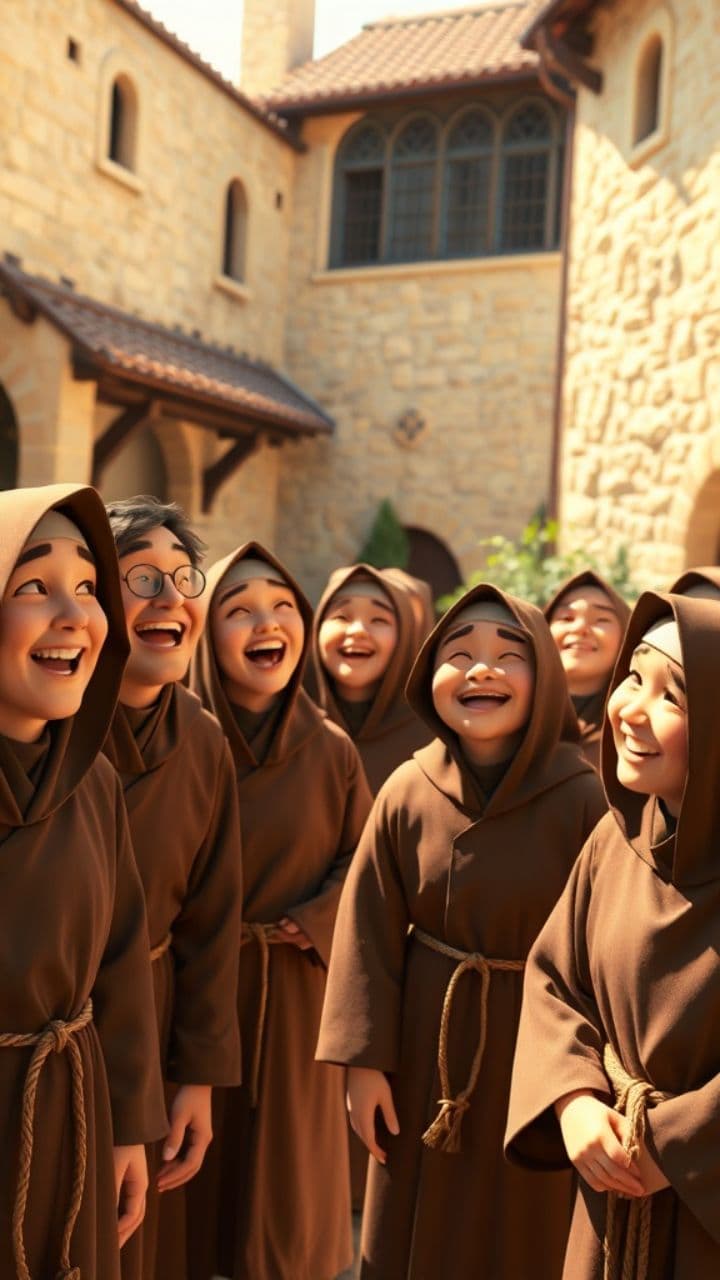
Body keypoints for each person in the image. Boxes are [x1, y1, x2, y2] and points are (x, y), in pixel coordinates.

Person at [318, 583, 605, 1279]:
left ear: (547, 677)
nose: (482, 670)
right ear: (429, 676)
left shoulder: (584, 795)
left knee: (527, 1229)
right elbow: (369, 929)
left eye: (511, 655)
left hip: (543, 1050)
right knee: (416, 1225)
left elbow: (604, 944)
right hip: (426, 1047)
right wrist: (363, 1062)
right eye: (460, 653)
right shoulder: (408, 788)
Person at [505, 590, 720, 1278]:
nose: (629, 710)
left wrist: (677, 1146)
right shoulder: (615, 840)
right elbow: (554, 980)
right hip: (613, 1195)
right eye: (634, 677)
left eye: (673, 698)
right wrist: (572, 1099)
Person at [185, 542, 372, 1280]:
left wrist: (320, 917)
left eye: (282, 606)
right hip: (193, 989)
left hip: (296, 993)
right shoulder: (178, 740)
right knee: (187, 1188)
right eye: (239, 610)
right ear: (203, 630)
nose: (267, 624)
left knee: (285, 1195)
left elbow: (364, 858)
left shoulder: (331, 749)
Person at [0, 483, 167, 1279]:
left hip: (69, 1114)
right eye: (33, 587)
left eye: (90, 589)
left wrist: (129, 1127)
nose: (74, 617)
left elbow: (122, 964)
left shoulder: (93, 780)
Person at [102, 496, 243, 1280]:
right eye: (141, 578)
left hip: (154, 1036)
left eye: (183, 576)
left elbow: (211, 922)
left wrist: (198, 1078)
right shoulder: (37, 730)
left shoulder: (202, 738)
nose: (171, 598)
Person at [314, 564, 432, 1208]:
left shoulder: (432, 738)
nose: (357, 631)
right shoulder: (291, 720)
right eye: (342, 614)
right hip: (291, 968)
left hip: (391, 967)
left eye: (380, 618)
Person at [544, 571, 630, 767]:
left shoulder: (632, 731)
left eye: (601, 620)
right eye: (567, 618)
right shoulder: (516, 720)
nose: (580, 628)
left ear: (626, 634)